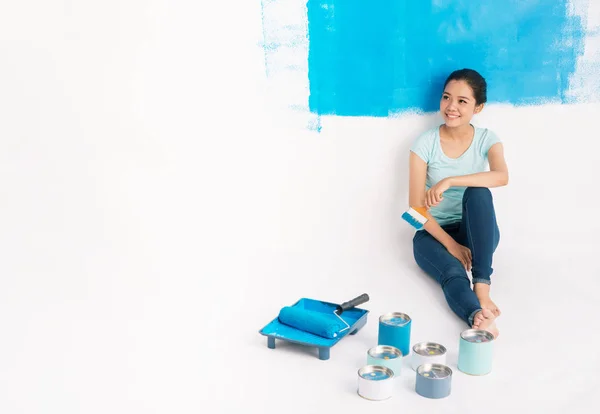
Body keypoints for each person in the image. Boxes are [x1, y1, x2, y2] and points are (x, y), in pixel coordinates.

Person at [408, 68, 509, 338]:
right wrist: (451, 245)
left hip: (476, 230)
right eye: (446, 98)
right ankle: (477, 315)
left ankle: (482, 288)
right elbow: (413, 212)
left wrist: (451, 180)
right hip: (432, 235)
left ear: (479, 107)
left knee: (478, 193)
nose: (451, 107)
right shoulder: (424, 144)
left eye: (462, 101)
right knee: (452, 270)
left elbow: (501, 176)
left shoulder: (488, 139)